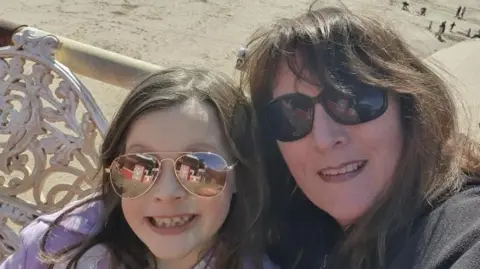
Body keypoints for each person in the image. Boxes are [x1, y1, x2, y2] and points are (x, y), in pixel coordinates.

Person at [238, 6, 480, 269]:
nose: (324, 139)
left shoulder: (463, 233)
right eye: (291, 116)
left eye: (353, 100)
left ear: (409, 108)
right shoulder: (291, 238)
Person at [0, 67, 277, 269]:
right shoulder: (56, 246)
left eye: (199, 167)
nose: (166, 193)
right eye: (139, 167)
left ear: (240, 174)